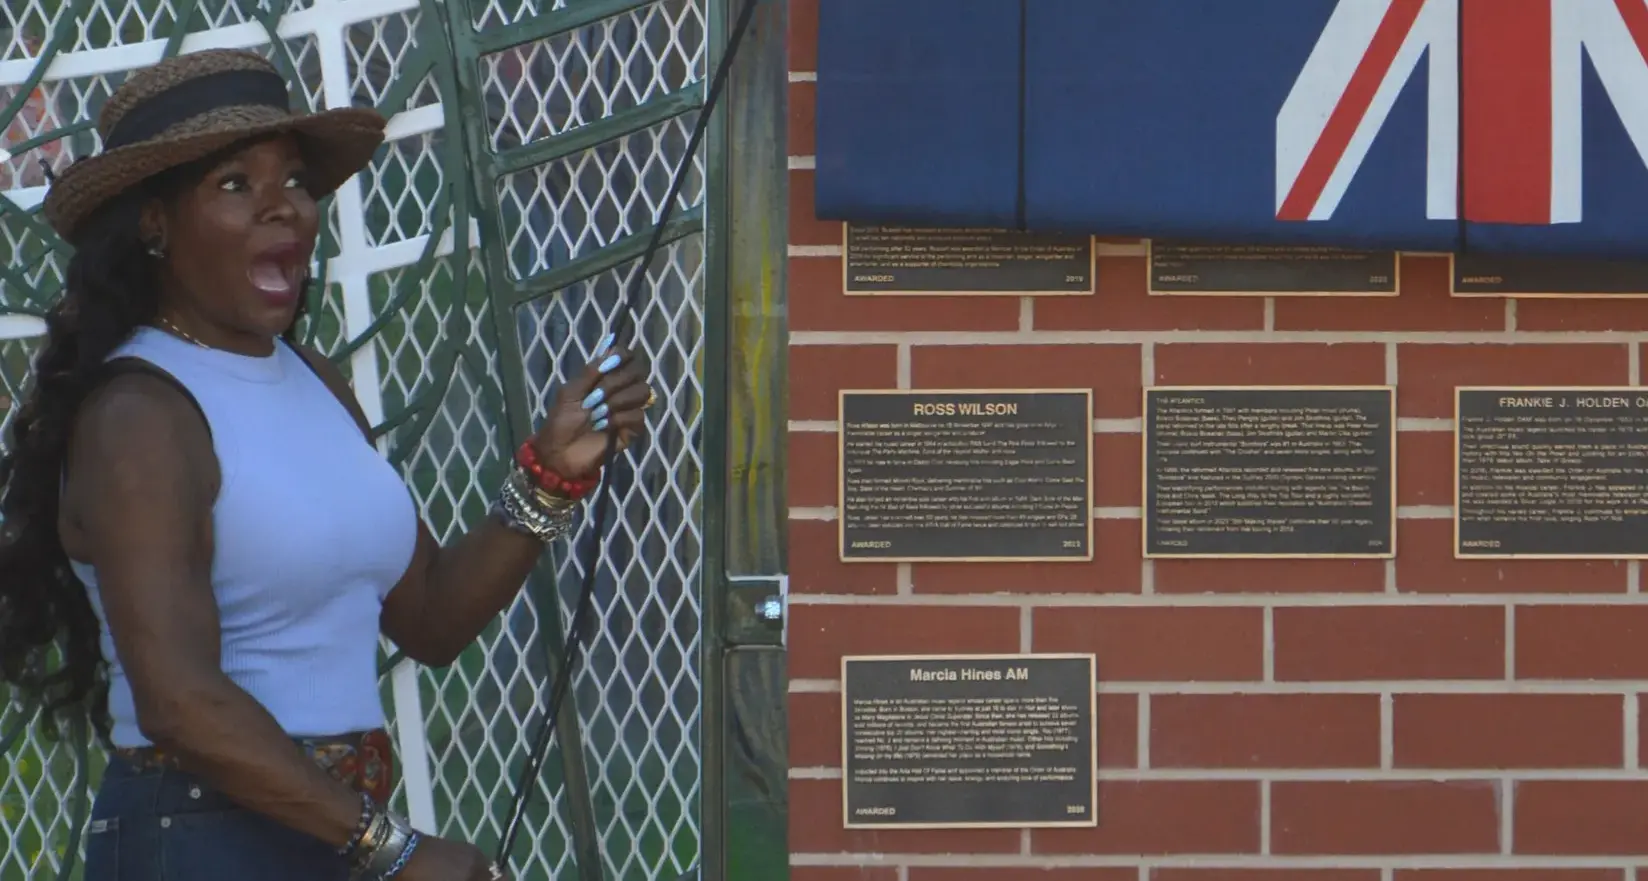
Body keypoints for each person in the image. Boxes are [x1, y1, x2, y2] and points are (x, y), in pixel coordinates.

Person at [0, 49, 654, 880]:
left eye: (297, 183)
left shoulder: (313, 381)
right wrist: (395, 849)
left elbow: (428, 618)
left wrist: (550, 476)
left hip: (326, 830)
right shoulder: (140, 415)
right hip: (202, 840)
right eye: (236, 184)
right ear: (154, 224)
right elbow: (178, 701)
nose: (285, 208)